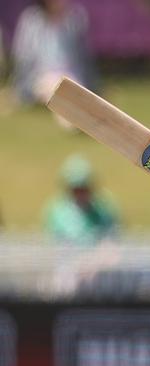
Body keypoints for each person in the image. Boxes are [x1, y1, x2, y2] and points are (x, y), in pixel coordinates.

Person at [11, 0, 98, 129]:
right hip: (41, 78)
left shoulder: (74, 19)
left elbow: (83, 57)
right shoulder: (31, 20)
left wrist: (94, 85)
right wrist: (21, 90)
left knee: (71, 87)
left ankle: (83, 121)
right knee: (57, 86)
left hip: (72, 76)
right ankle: (73, 124)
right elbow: (24, 58)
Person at [43, 154, 119, 246]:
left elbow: (112, 239)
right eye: (76, 190)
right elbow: (55, 244)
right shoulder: (57, 212)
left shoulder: (104, 209)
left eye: (84, 189)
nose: (80, 194)